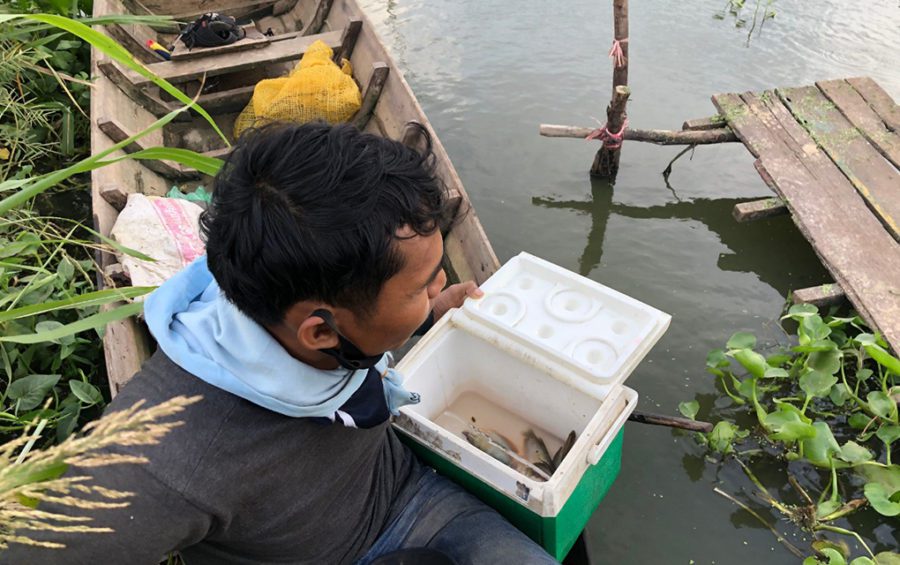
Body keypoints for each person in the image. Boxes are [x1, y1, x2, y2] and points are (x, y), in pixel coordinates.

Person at [4, 123, 559, 564]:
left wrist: (430, 311)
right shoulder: (165, 456)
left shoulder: (300, 312)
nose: (443, 284)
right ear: (320, 332)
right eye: (423, 285)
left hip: (413, 497)